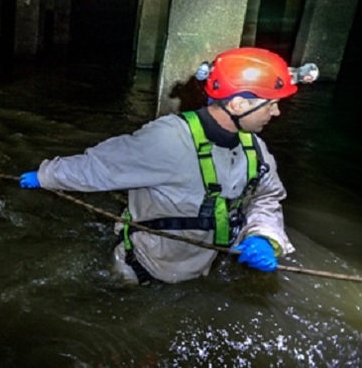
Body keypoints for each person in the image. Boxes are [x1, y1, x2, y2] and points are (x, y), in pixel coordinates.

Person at [19, 47, 318, 285]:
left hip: (203, 269)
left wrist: (263, 236)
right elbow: (99, 168)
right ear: (238, 104)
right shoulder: (168, 140)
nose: (276, 111)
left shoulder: (255, 149)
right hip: (144, 270)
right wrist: (45, 176)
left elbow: (267, 196)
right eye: (270, 103)